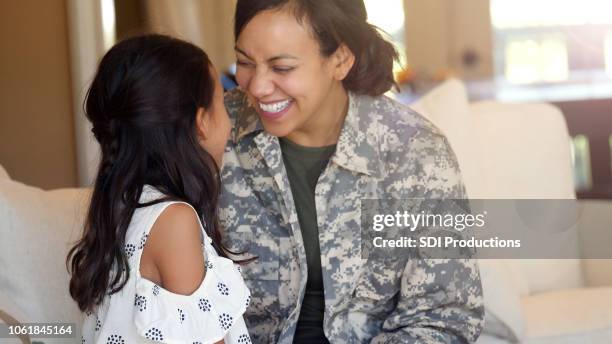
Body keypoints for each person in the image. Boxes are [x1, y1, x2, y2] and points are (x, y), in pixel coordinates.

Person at [219, 0, 484, 343]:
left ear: (340, 60)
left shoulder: (415, 150)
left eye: (281, 67)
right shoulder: (215, 132)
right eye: (244, 62)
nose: (257, 87)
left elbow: (445, 316)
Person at [67, 34, 251, 344]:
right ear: (201, 121)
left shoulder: (122, 204)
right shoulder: (174, 221)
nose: (230, 125)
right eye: (222, 104)